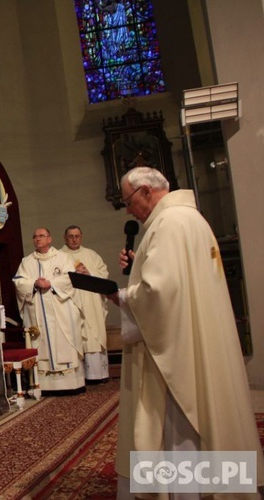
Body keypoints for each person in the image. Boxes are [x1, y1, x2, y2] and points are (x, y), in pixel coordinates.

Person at [108, 167, 264, 496]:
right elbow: (179, 281)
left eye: (128, 200)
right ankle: (223, 487)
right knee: (212, 414)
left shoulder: (167, 224)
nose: (127, 209)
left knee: (178, 428)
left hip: (177, 354)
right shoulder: (190, 219)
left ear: (146, 191)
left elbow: (159, 294)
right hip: (200, 341)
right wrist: (140, 262)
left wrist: (120, 296)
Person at [13, 227, 85, 393]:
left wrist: (51, 283)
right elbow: (18, 281)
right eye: (35, 236)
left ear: (50, 239)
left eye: (42, 236)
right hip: (37, 309)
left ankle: (70, 384)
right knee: (41, 343)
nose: (38, 239)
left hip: (61, 309)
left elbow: (71, 278)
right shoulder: (27, 261)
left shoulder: (63, 258)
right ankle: (43, 385)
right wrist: (33, 283)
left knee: (64, 340)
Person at [60, 225, 110, 383]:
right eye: (71, 236)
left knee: (94, 334)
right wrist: (73, 275)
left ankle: (97, 376)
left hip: (91, 302)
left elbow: (104, 274)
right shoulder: (59, 256)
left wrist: (90, 273)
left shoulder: (92, 255)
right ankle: (79, 377)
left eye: (77, 236)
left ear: (81, 237)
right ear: (65, 238)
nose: (74, 239)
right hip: (73, 302)